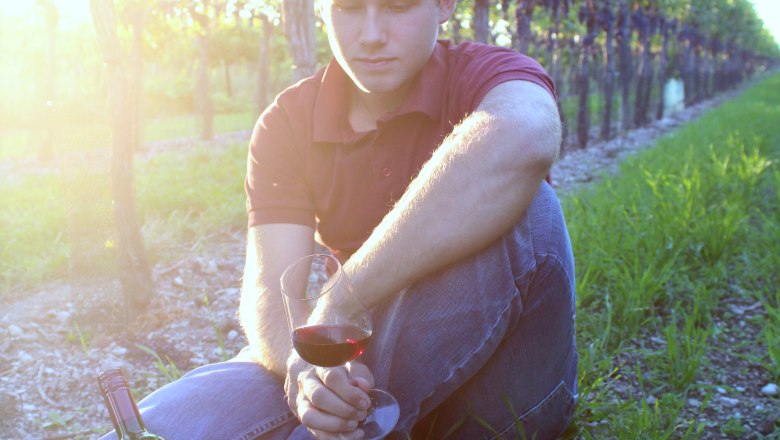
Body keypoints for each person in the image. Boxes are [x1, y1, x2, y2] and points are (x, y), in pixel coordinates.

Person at [101, 0, 577, 437]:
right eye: (349, 7)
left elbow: (525, 135)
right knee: (169, 419)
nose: (371, 34)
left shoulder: (490, 74)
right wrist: (303, 368)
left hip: (495, 388)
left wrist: (336, 306)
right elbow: (270, 291)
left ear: (445, 4)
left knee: (529, 210)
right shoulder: (288, 122)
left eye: (397, 5)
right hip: (353, 357)